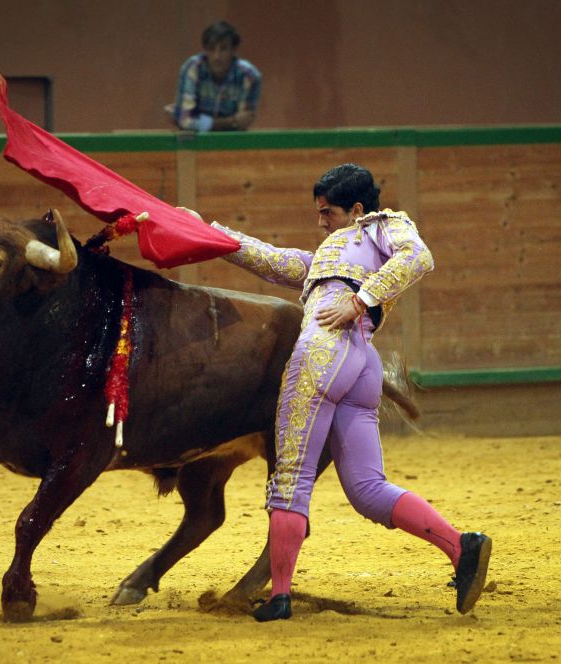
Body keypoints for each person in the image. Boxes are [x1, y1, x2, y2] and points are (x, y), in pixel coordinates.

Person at [202, 163, 491, 621]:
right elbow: (271, 260)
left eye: (327, 213)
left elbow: (419, 257)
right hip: (362, 364)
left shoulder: (381, 225)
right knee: (366, 489)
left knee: (291, 477)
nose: (321, 222)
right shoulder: (333, 254)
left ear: (357, 209)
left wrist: (360, 300)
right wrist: (206, 232)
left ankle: (279, 597)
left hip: (323, 353)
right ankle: (461, 547)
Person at [166, 21, 261, 132]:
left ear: (234, 50)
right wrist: (231, 121)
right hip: (195, 143)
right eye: (211, 49)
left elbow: (242, 124)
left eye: (223, 49)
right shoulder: (192, 68)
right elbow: (185, 121)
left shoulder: (250, 76)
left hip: (230, 144)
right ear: (205, 50)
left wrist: (198, 122)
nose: (217, 56)